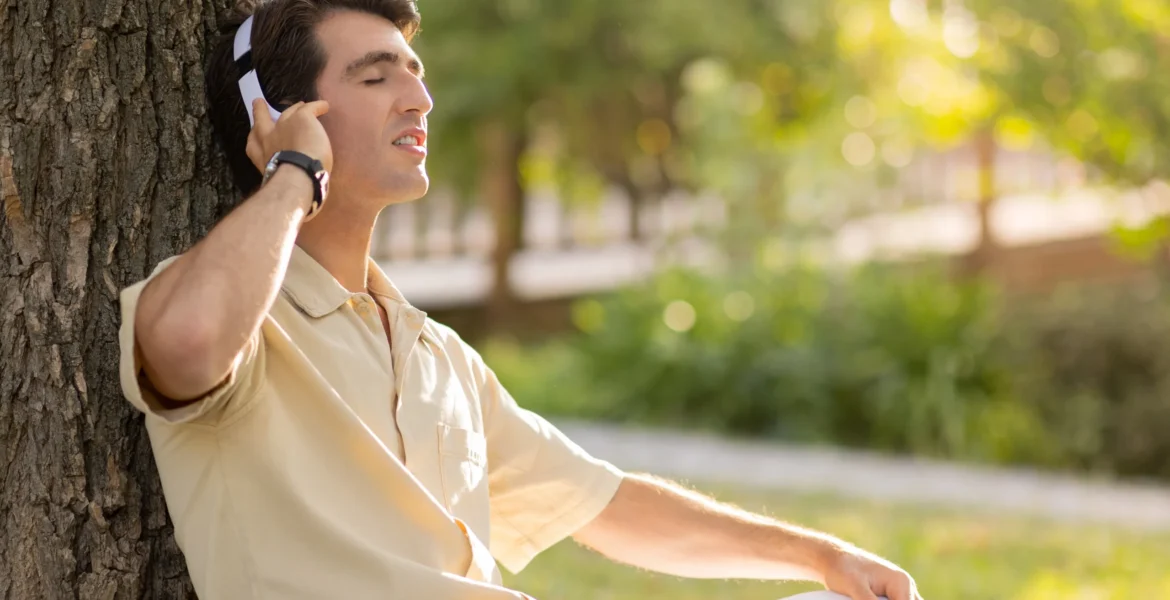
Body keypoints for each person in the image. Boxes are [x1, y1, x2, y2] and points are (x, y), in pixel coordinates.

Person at [117, 1, 923, 599]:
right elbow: (188, 342)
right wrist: (296, 175)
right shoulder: (234, 320)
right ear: (279, 117)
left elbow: (606, 505)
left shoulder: (436, 356)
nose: (419, 100)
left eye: (415, 73)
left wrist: (821, 557)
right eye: (376, 75)